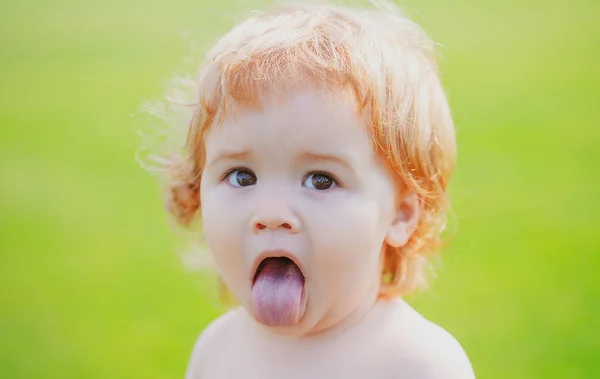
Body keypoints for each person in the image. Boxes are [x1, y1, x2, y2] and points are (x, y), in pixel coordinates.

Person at [146, 1, 475, 377]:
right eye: (241, 176)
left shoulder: (415, 363)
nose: (271, 213)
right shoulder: (217, 352)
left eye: (321, 180)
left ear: (400, 214)